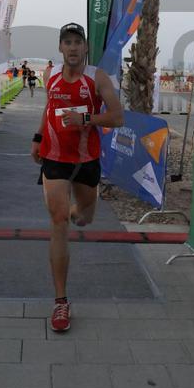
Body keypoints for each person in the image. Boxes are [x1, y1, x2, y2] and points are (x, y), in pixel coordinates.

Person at [30, 22, 124, 332]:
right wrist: (38, 137)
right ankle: (61, 302)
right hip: (54, 158)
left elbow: (118, 117)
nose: (72, 47)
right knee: (58, 222)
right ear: (60, 47)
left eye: (77, 42)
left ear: (85, 47)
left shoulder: (97, 78)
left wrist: (85, 118)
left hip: (86, 161)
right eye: (67, 42)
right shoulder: (50, 75)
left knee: (83, 217)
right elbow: (49, 107)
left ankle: (75, 211)